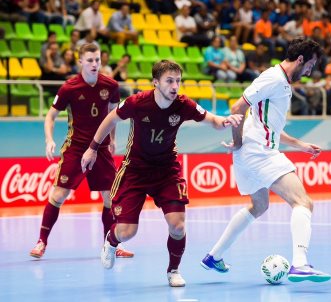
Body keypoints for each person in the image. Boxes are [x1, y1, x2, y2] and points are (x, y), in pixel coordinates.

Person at [81, 60, 242, 287]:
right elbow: (110, 119)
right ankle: (112, 240)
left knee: (177, 226)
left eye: (178, 81)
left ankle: (173, 270)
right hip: (135, 170)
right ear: (156, 83)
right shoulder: (137, 102)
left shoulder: (184, 104)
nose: (175, 86)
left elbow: (213, 120)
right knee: (127, 232)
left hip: (166, 170)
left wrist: (225, 121)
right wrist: (92, 148)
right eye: (169, 81)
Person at [200, 38, 331, 283]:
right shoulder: (272, 78)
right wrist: (238, 142)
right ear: (300, 59)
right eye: (310, 65)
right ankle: (300, 264)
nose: (310, 72)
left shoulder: (282, 83)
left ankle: (213, 256)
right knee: (303, 202)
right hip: (259, 153)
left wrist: (300, 145)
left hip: (250, 153)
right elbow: (237, 107)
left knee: (259, 205)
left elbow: (269, 126)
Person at [29, 43, 134, 260]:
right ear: (80, 62)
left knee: (110, 198)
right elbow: (50, 116)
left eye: (97, 60)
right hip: (76, 148)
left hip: (101, 149)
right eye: (90, 60)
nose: (95, 64)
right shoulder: (69, 88)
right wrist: (49, 139)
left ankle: (111, 245)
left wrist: (112, 140)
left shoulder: (111, 85)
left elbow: (113, 115)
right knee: (59, 195)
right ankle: (41, 242)